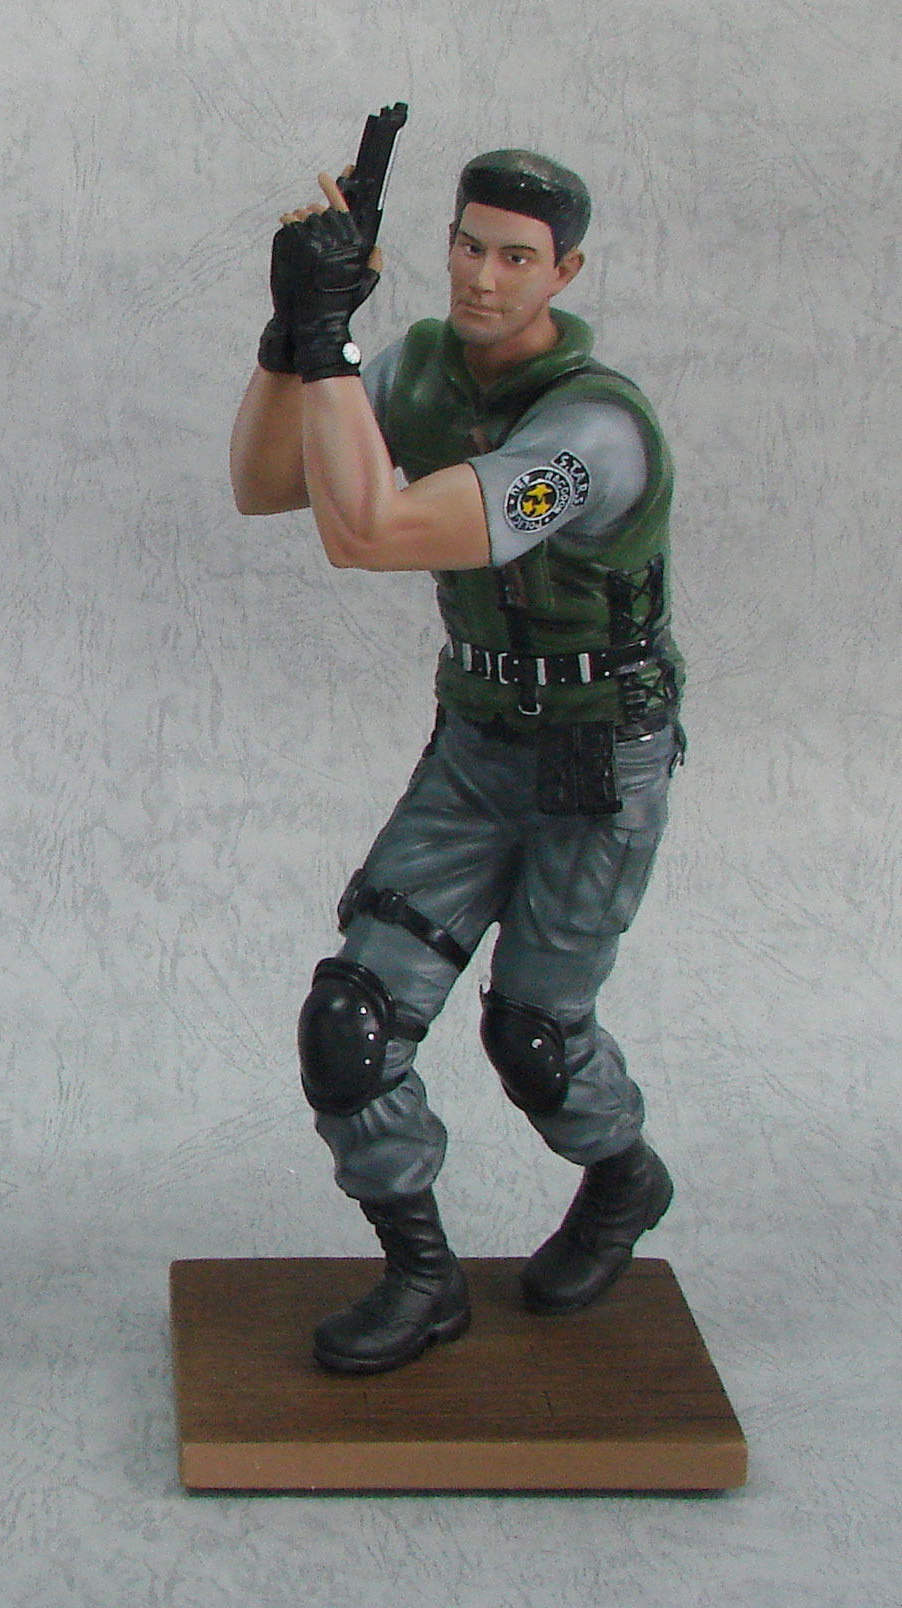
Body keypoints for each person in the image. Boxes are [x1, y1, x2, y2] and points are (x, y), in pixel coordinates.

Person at [230, 148, 682, 1374]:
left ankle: (623, 1174)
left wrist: (330, 346)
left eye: (517, 257)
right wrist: (293, 335)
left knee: (533, 1034)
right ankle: (422, 1276)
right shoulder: (423, 369)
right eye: (469, 246)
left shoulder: (592, 436)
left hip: (596, 759)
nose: (484, 277)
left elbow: (374, 535)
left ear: (564, 272)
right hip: (479, 744)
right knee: (351, 1022)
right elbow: (266, 482)